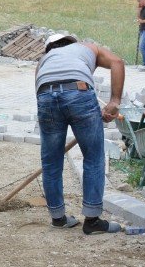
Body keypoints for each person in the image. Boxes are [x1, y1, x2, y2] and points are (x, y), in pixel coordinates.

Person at [36, 33, 125, 235]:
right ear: (73, 43)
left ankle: (58, 219)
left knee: (51, 162)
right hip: (79, 92)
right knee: (93, 157)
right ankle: (92, 220)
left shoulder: (44, 60)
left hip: (46, 96)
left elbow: (40, 92)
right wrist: (113, 102)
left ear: (50, 48)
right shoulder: (88, 47)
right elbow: (117, 62)